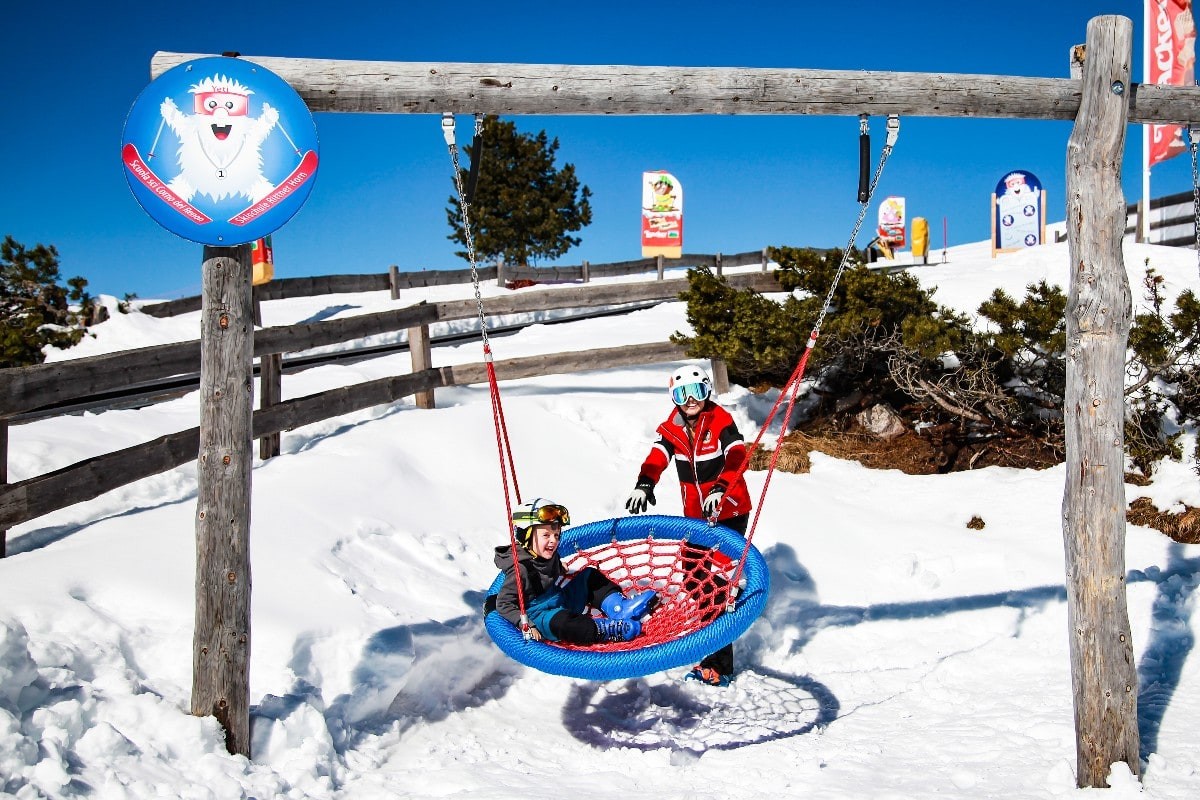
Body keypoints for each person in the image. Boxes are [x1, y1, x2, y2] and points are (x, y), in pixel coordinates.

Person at [623, 365, 752, 687]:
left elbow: (737, 455)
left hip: (729, 512)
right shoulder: (673, 426)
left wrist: (720, 489)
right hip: (697, 518)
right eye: (682, 394)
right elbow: (657, 456)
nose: (691, 400)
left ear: (707, 392)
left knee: (716, 584)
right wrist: (645, 483)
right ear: (674, 397)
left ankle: (719, 664)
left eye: (697, 391)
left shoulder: (720, 420)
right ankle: (721, 612)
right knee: (694, 579)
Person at [494, 498, 657, 644]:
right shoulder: (520, 570)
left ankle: (619, 609)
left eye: (556, 535)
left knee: (589, 576)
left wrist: (559, 568)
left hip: (561, 599)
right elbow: (503, 604)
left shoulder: (545, 553)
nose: (553, 541)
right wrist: (526, 624)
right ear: (526, 536)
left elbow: (546, 569)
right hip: (541, 616)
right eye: (546, 535)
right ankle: (603, 630)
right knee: (564, 623)